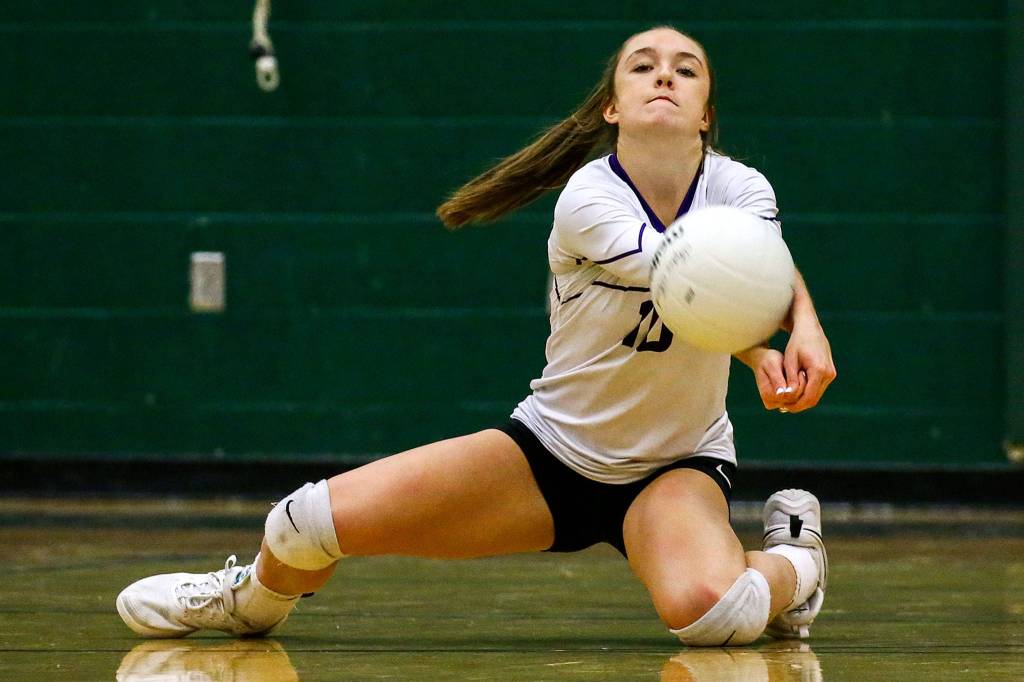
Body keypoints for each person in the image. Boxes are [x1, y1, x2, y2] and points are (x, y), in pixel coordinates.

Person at [116, 26, 836, 646]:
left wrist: (801, 327)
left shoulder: (743, 189)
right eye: (643, 65)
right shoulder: (590, 197)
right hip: (550, 455)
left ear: (705, 114)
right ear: (613, 105)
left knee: (717, 612)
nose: (664, 76)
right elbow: (695, 278)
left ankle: (798, 560)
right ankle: (249, 602)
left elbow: (751, 268)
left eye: (686, 69)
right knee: (301, 522)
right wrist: (764, 342)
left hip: (675, 466)